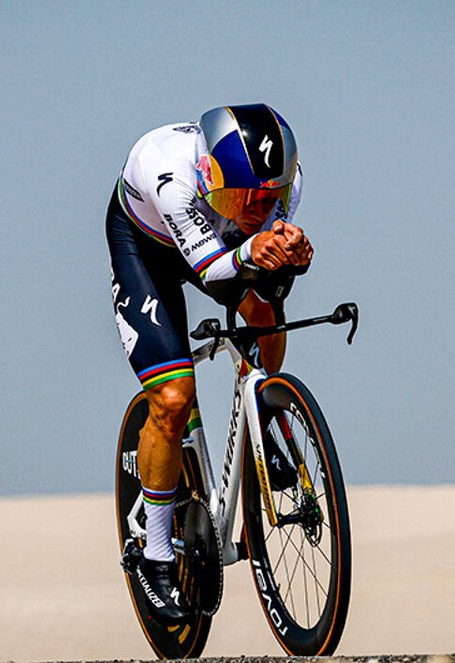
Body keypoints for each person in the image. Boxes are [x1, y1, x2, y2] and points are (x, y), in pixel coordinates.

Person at [107, 104, 314, 625]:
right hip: (148, 250)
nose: (252, 208)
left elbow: (256, 258)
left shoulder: (282, 180)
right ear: (208, 176)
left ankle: (269, 427)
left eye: (265, 199)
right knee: (173, 399)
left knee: (266, 314)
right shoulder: (170, 174)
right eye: (237, 197)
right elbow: (214, 267)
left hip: (217, 241)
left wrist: (291, 251)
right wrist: (254, 248)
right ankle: (154, 554)